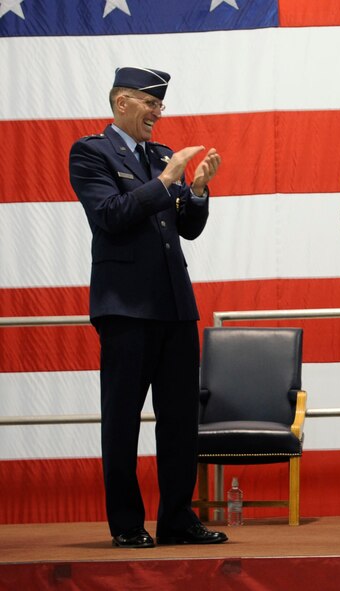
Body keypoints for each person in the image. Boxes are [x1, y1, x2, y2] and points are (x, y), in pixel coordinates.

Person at [69, 66, 228, 548]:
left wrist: (196, 190)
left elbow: (187, 228)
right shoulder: (91, 152)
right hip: (125, 309)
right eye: (150, 103)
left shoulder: (160, 156)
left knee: (180, 419)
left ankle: (177, 517)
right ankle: (126, 523)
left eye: (161, 104)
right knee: (122, 418)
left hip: (175, 306)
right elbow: (110, 215)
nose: (159, 112)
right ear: (122, 103)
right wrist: (166, 181)